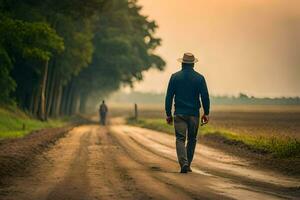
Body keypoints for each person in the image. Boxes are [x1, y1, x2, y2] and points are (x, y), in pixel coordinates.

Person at [165, 53, 210, 173]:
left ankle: (183, 163)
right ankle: (188, 164)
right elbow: (205, 96)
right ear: (193, 64)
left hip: (179, 113)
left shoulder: (175, 77)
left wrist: (168, 114)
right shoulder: (200, 78)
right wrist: (206, 112)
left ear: (182, 63)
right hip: (194, 114)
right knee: (192, 139)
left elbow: (169, 97)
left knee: (180, 139)